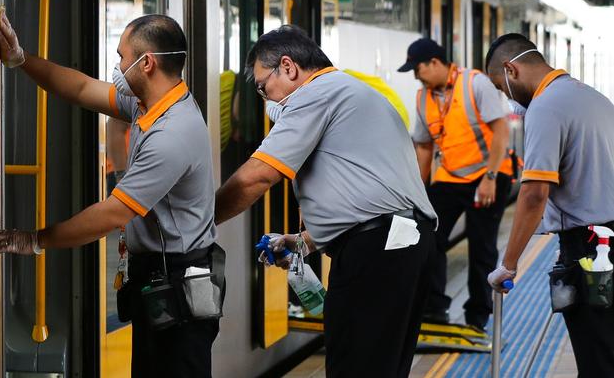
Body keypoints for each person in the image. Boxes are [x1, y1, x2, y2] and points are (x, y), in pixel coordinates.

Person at [0, 12, 221, 378]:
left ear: (147, 63)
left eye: (123, 57)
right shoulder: (152, 103)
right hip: (159, 277)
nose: (117, 66)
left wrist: (34, 240)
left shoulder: (173, 133)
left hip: (177, 284)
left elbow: (112, 213)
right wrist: (22, 59)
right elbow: (80, 89)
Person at [215, 25, 437, 377]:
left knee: (354, 367)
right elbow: (368, 186)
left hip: (377, 250)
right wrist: (305, 240)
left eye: (263, 87)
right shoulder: (354, 92)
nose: (266, 100)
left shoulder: (315, 94)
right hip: (406, 243)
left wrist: (201, 220)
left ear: (287, 67)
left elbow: (258, 175)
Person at [486, 33, 614, 375]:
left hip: (589, 250)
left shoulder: (546, 106)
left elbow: (534, 194)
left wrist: (508, 264)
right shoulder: (592, 97)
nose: (507, 99)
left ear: (511, 69)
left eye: (501, 88)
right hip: (606, 239)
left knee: (596, 356)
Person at [397, 38, 513, 331]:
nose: (416, 76)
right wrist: (417, 191)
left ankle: (477, 317)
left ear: (435, 62)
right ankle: (435, 307)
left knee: (481, 246)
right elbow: (423, 147)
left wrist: (490, 177)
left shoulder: (475, 83)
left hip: (488, 175)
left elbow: (501, 131)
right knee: (426, 235)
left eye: (418, 68)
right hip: (450, 177)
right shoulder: (423, 98)